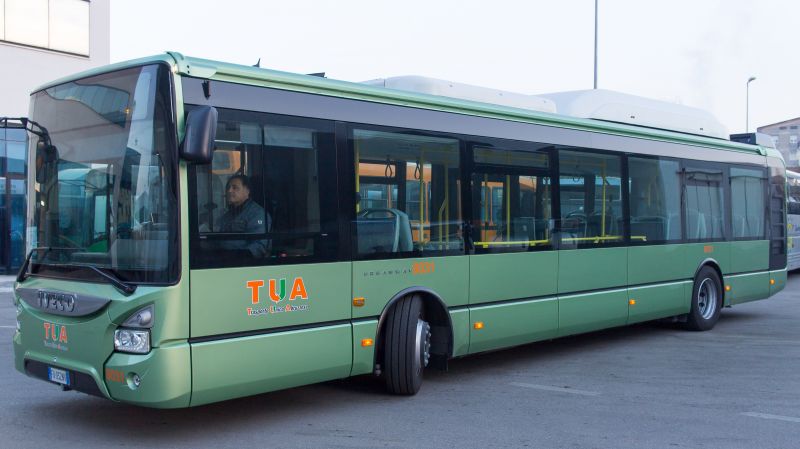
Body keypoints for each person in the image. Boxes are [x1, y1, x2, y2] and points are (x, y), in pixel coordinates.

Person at [218, 174, 271, 257]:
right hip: (223, 259)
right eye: (228, 187)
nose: (229, 191)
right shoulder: (227, 216)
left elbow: (260, 245)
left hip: (244, 263)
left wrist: (240, 256)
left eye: (235, 187)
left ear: (247, 191)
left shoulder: (258, 214)